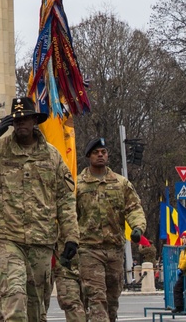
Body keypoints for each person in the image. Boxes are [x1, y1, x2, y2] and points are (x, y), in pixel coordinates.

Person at [0, 97, 79, 322]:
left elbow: (65, 199)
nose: (21, 124)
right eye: (16, 120)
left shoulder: (52, 156)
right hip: (7, 240)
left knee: (36, 308)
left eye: (25, 119)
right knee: (14, 299)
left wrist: (71, 236)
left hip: (41, 241)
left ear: (34, 121)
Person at [76, 136, 146, 322]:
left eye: (103, 152)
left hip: (114, 250)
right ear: (88, 156)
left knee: (112, 301)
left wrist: (137, 227)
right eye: (96, 153)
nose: (100, 155)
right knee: (96, 298)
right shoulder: (78, 185)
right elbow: (69, 215)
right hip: (89, 250)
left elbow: (133, 208)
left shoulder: (120, 183)